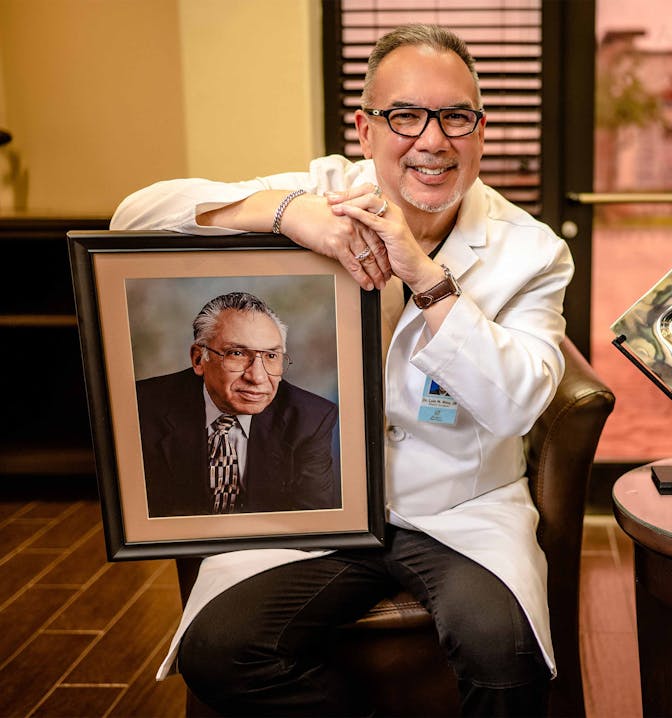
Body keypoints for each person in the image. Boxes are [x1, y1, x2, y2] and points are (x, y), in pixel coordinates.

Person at [112, 23, 574, 717]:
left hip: (460, 509)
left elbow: (518, 405)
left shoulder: (532, 251)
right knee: (219, 650)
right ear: (365, 129)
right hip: (315, 508)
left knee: (505, 654)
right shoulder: (322, 192)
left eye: (456, 116)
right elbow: (133, 217)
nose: (432, 140)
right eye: (405, 115)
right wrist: (290, 214)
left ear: (480, 131)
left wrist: (426, 278)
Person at [136, 291, 340, 517]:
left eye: (271, 356)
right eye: (237, 353)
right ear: (199, 359)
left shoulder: (310, 419)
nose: (258, 377)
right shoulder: (140, 407)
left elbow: (312, 521)